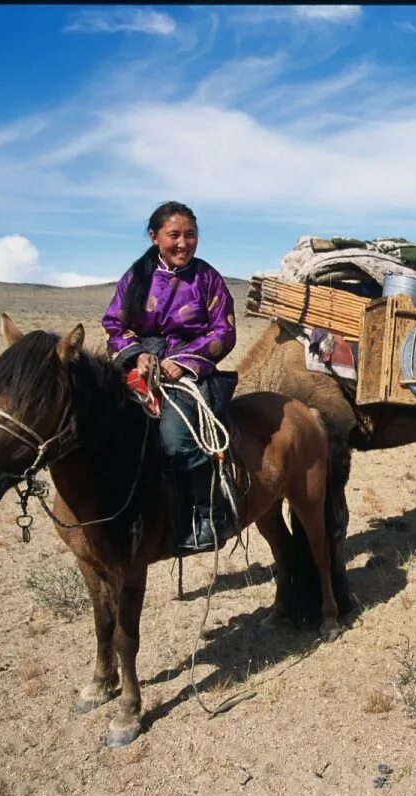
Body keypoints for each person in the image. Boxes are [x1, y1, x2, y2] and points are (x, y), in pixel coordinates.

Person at [101, 201, 238, 554]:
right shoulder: (135, 277)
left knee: (176, 440)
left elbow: (224, 330)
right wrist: (138, 354)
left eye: (190, 235)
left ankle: (208, 516)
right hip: (139, 366)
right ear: (154, 236)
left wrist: (185, 361)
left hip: (186, 371)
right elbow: (115, 324)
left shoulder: (207, 279)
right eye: (173, 235)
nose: (183, 243)